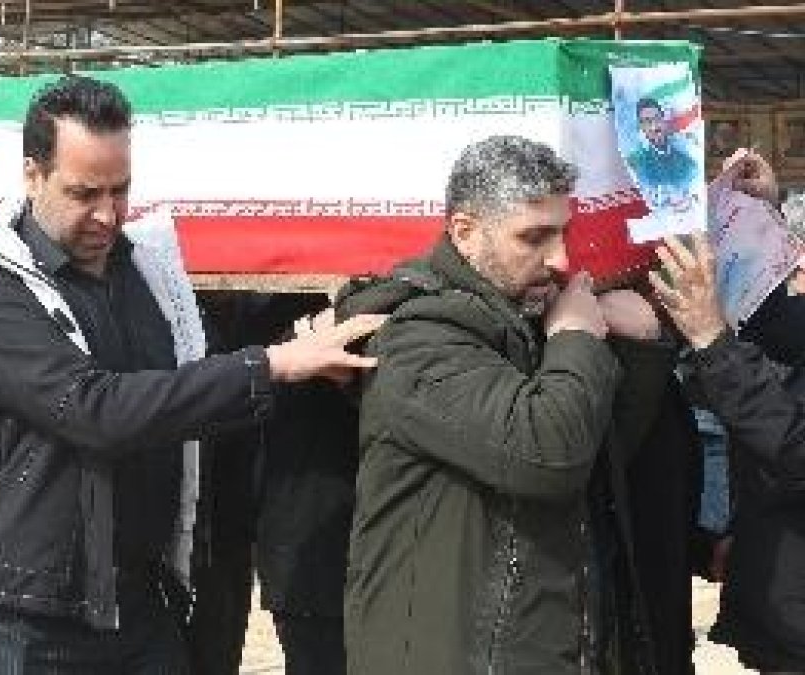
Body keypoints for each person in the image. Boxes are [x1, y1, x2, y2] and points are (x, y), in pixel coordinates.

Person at [0, 74, 382, 673]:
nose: (106, 214)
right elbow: (97, 410)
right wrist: (272, 365)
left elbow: (191, 379)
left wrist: (301, 351)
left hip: (138, 599)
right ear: (32, 175)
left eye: (120, 189)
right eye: (83, 192)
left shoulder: (143, 269)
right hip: (24, 615)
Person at [339, 135, 672, 674]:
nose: (559, 258)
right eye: (534, 237)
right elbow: (547, 453)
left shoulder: (525, 315)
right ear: (465, 233)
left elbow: (598, 451)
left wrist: (642, 351)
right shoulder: (418, 337)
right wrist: (576, 338)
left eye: (562, 232)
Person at [651, 152, 805, 673]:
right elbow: (780, 339)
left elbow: (795, 447)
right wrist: (762, 218)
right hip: (776, 589)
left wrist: (711, 339)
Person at [627, 97, 699, 204]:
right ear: (641, 127)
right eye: (647, 121)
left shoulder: (686, 151)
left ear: (663, 120)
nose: (653, 125)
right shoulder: (639, 162)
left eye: (657, 118)